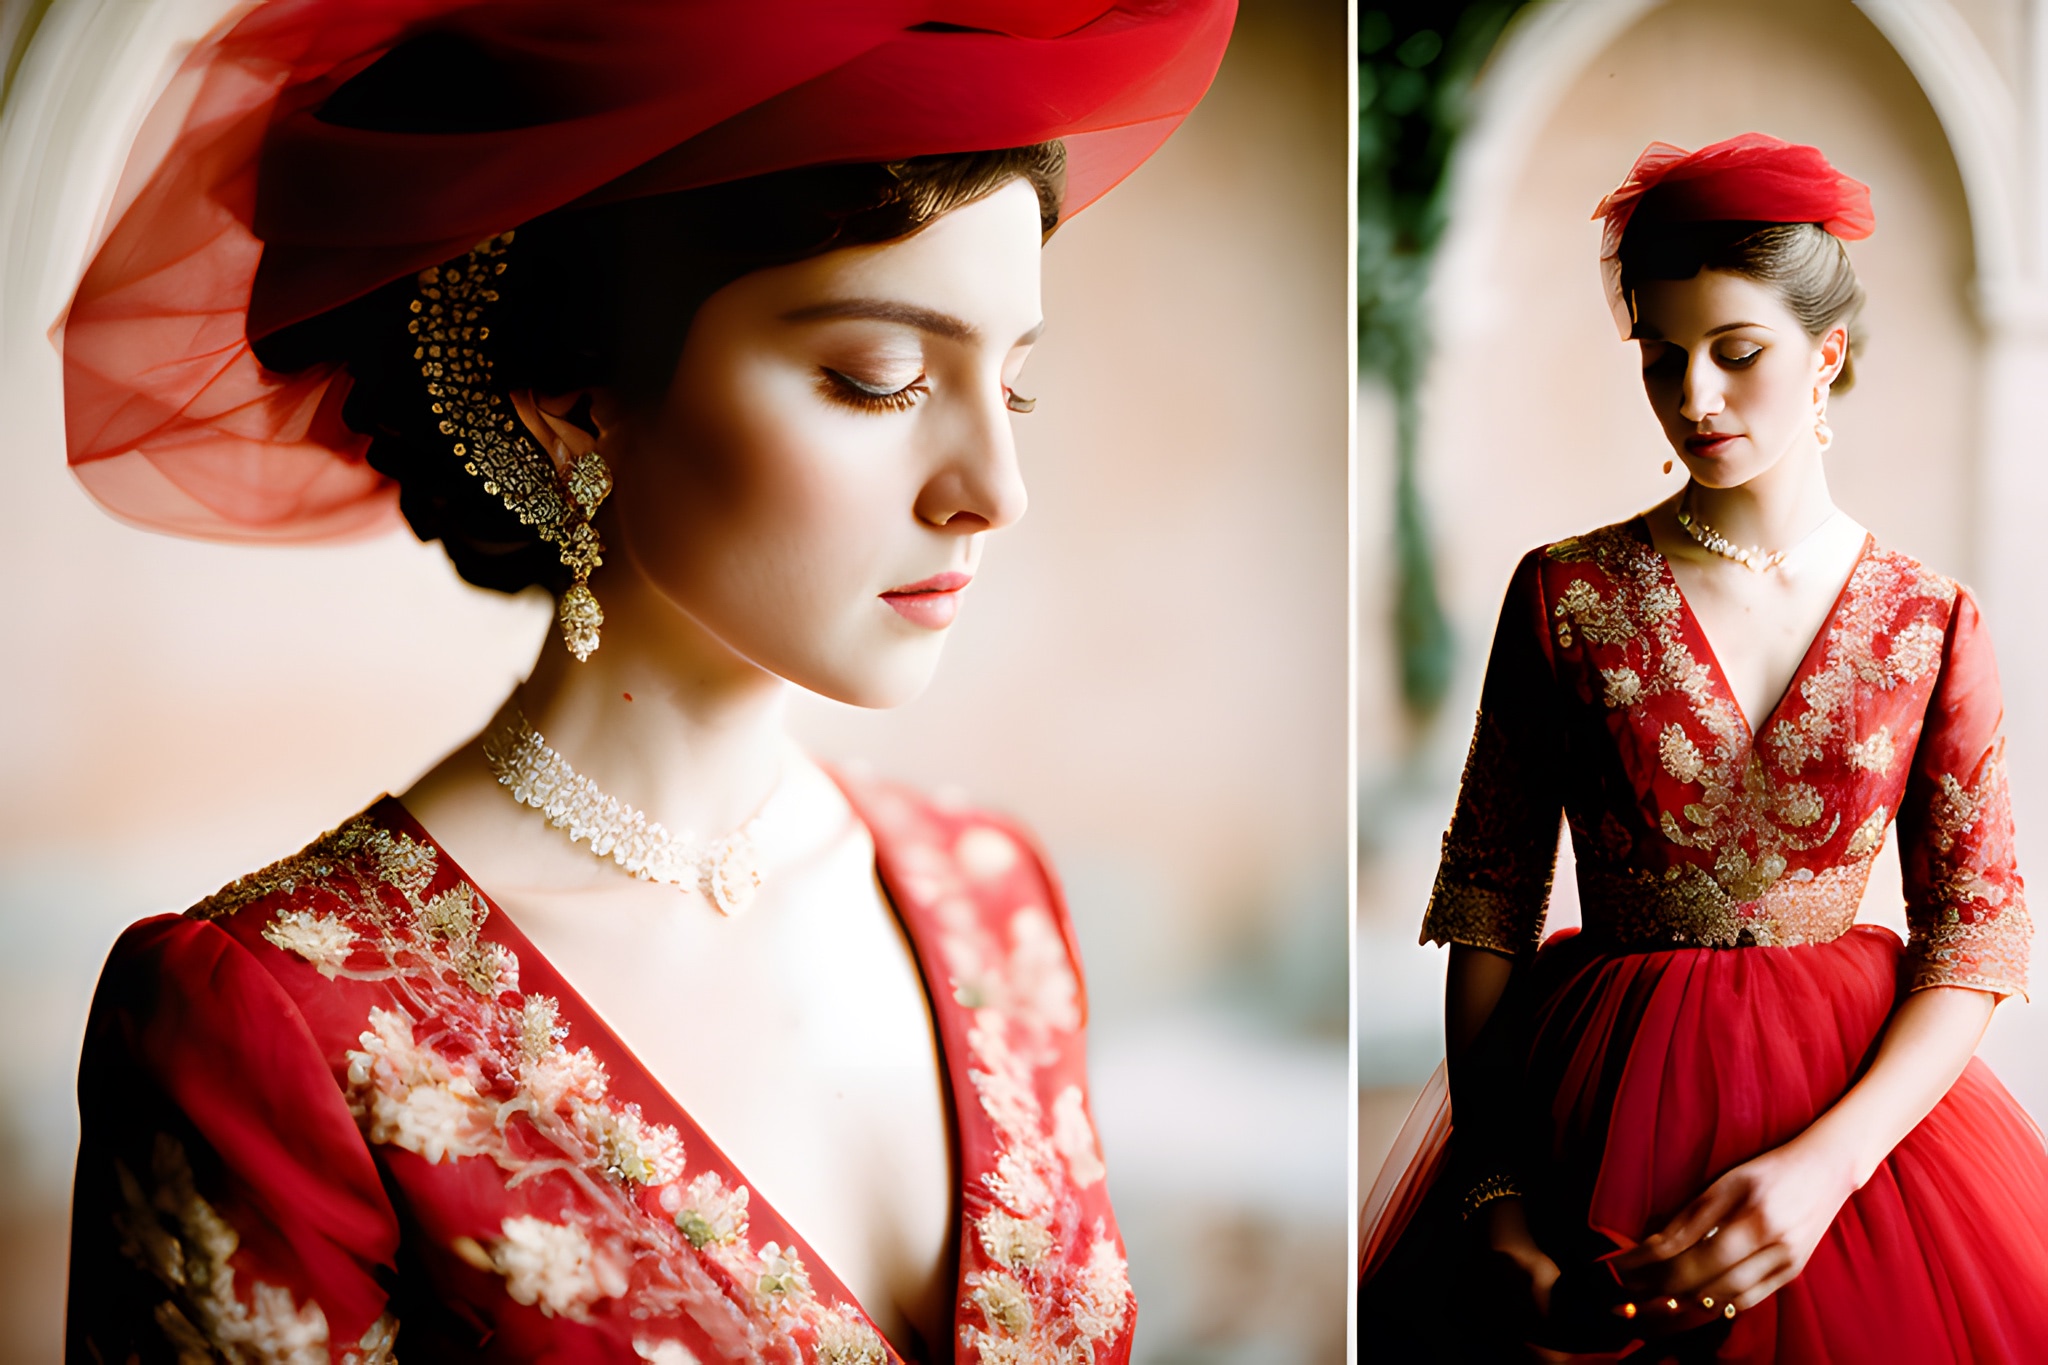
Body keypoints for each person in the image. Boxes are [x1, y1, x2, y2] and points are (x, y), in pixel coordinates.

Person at [60, 3, 1234, 1360]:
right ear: (574, 396)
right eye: (881, 380)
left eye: (1013, 388)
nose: (995, 489)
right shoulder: (277, 1021)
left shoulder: (992, 898)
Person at [1358, 133, 2048, 1362]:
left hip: (1860, 1140)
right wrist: (1495, 1195)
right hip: (1589, 1112)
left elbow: (1975, 931)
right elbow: (1488, 902)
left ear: (1824, 354)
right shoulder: (1564, 594)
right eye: (1659, 357)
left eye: (1736, 353)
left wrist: (1827, 1169)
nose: (1693, 398)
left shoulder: (1929, 619)